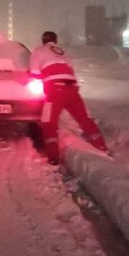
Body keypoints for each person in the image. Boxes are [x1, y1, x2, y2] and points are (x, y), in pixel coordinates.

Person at [30, 31, 110, 165]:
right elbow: (70, 69)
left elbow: (34, 73)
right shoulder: (62, 52)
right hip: (72, 89)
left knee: (48, 122)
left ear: (43, 40)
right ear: (55, 41)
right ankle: (101, 146)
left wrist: (41, 77)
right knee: (83, 118)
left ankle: (53, 157)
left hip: (55, 90)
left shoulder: (38, 51)